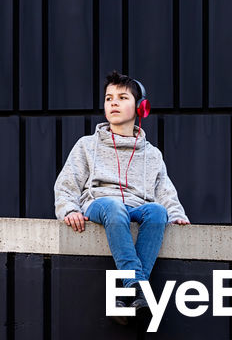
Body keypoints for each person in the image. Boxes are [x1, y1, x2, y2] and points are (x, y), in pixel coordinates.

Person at [53, 72, 190, 316]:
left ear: (141, 108)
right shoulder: (87, 144)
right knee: (114, 207)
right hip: (100, 204)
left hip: (137, 206)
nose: (113, 103)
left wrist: (176, 215)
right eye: (109, 98)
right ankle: (138, 286)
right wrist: (70, 209)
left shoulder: (152, 154)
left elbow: (165, 191)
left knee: (157, 212)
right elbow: (66, 184)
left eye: (122, 97)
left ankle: (129, 293)